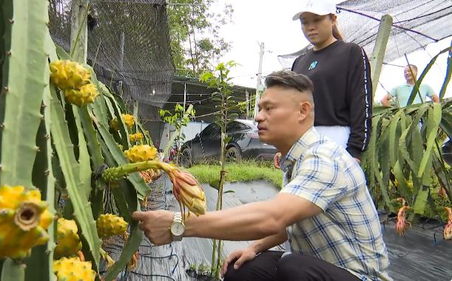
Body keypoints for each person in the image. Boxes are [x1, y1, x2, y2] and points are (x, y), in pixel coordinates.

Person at [133, 71, 393, 281]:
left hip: (358, 276)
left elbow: (273, 217)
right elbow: (286, 225)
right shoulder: (295, 160)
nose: (258, 117)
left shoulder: (324, 159)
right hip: (320, 267)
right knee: (243, 268)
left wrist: (178, 225)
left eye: (269, 109)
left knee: (294, 268)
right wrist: (254, 247)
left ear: (303, 111)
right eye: (260, 108)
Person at [290, 0, 372, 161]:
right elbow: (292, 107)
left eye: (317, 20)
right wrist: (285, 145)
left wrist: (355, 150)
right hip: (300, 142)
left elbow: (361, 102)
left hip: (336, 140)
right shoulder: (299, 62)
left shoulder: (351, 52)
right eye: (304, 22)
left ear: (333, 19)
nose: (310, 27)